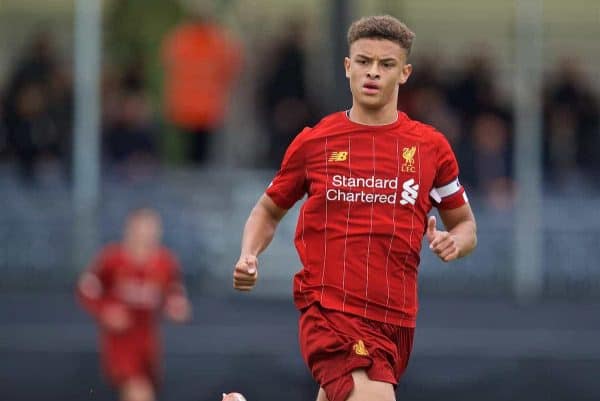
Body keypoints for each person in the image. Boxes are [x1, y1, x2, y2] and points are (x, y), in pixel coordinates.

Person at [232, 15, 477, 401]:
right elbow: (268, 209)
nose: (373, 73)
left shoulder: (430, 148)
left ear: (405, 73)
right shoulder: (316, 143)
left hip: (397, 318)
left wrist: (455, 243)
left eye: (386, 64)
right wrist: (249, 254)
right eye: (363, 61)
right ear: (348, 67)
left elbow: (464, 224)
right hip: (331, 307)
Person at [77, 208, 192, 401]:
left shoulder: (166, 262)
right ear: (130, 229)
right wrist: (104, 310)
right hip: (121, 341)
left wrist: (177, 309)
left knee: (142, 389)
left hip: (148, 340)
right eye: (142, 229)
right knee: (138, 390)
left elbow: (175, 296)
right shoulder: (113, 259)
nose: (146, 235)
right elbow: (87, 288)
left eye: (151, 229)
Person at [161, 7, 242, 164]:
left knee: (186, 156)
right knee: (203, 158)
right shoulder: (218, 40)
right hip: (208, 109)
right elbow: (232, 67)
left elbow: (168, 65)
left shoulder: (179, 40)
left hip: (184, 109)